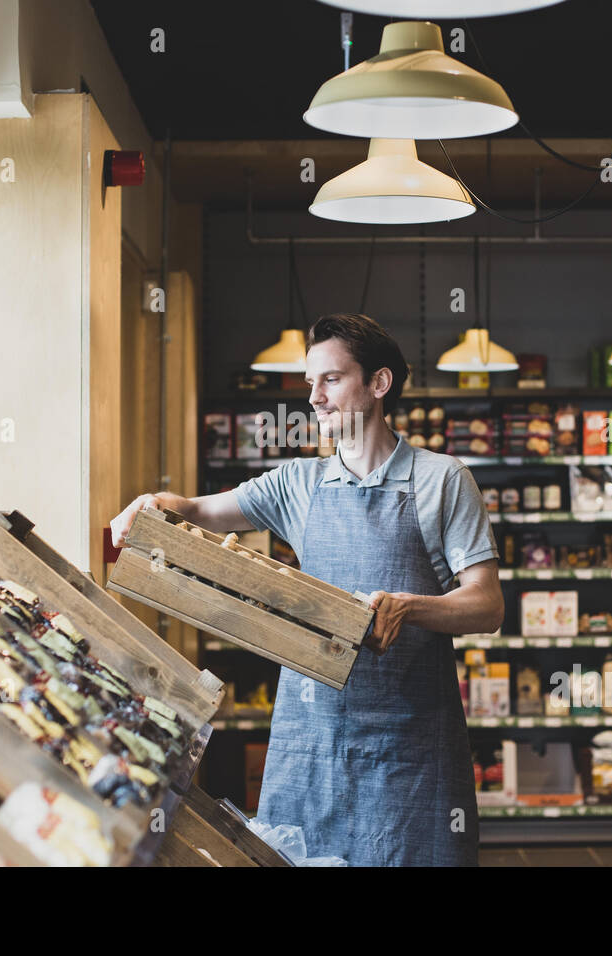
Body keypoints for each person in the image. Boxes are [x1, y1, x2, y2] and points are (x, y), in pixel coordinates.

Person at [110, 312, 503, 866]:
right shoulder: (297, 483)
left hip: (411, 739)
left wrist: (407, 606)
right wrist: (150, 503)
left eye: (331, 380)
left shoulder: (442, 479)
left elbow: (486, 604)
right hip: (312, 736)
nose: (314, 398)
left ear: (378, 384)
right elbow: (198, 510)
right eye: (309, 383)